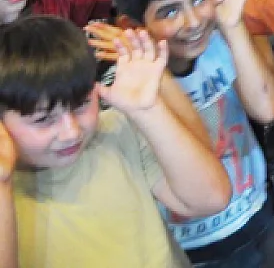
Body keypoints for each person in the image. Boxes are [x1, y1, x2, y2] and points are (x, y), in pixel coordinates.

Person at [106, 0, 274, 266]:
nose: (193, 21)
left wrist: (232, 25)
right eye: (169, 11)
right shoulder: (124, 88)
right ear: (132, 26)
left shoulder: (219, 44)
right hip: (188, 246)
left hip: (255, 214)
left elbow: (269, 108)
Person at [0, 17, 233, 268]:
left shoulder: (116, 129)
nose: (71, 132)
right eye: (44, 120)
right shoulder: (8, 189)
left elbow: (212, 199)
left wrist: (148, 110)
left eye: (81, 105)